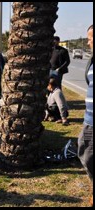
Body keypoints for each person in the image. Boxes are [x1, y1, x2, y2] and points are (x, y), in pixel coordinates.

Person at [77, 24, 93, 207]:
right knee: (85, 153)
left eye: (91, 37)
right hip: (89, 120)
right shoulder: (92, 61)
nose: (88, 42)